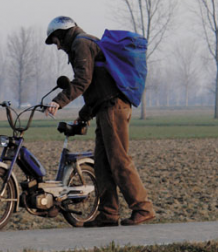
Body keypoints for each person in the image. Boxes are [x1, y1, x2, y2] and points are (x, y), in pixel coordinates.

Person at [45, 16, 155, 227]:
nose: (57, 47)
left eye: (56, 41)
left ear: (62, 34)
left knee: (119, 160)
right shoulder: (85, 43)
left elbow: (83, 81)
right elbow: (97, 85)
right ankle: (108, 214)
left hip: (113, 108)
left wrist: (59, 102)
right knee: (102, 164)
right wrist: (84, 115)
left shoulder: (81, 44)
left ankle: (143, 208)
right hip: (106, 108)